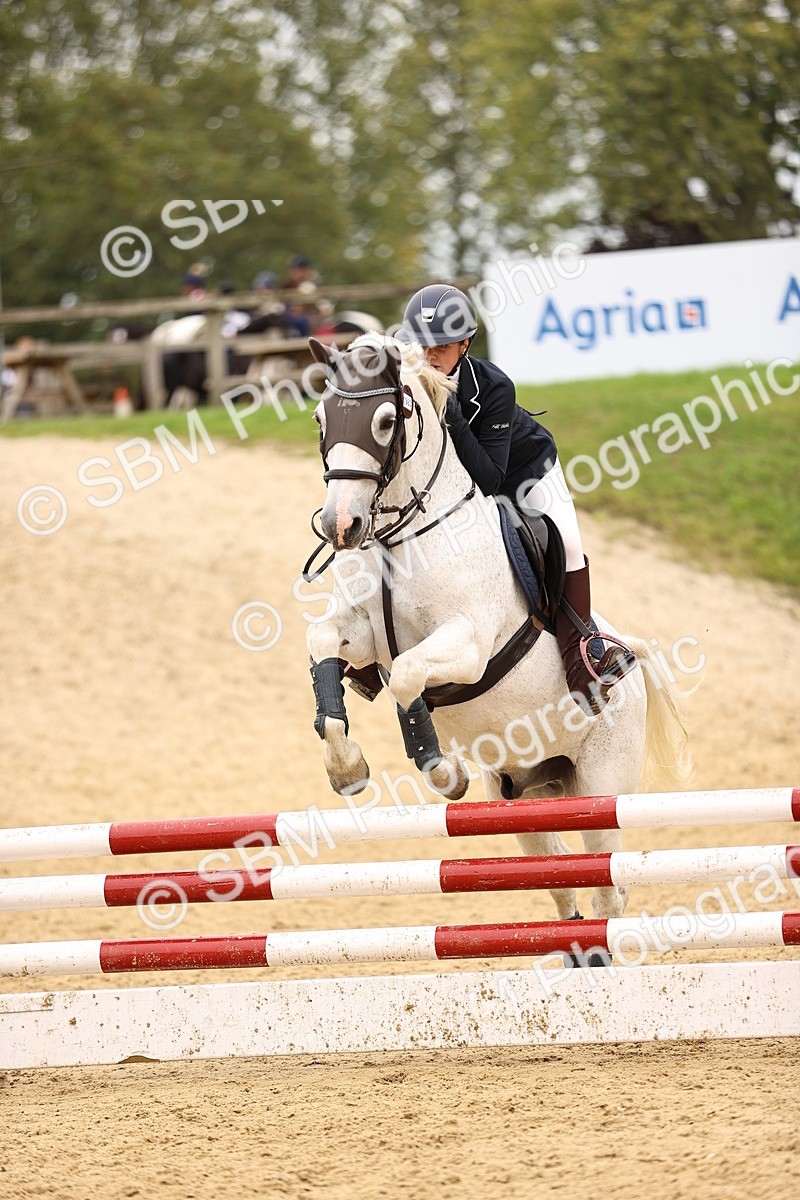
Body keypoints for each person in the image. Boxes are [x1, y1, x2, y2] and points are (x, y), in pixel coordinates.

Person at [401, 283, 630, 713]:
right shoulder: (405, 376)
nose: (429, 357)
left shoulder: (494, 387)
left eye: (442, 347)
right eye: (421, 345)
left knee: (569, 544)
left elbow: (490, 478)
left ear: (465, 344)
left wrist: (447, 408)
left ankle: (584, 655)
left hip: (524, 472)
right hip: (455, 482)